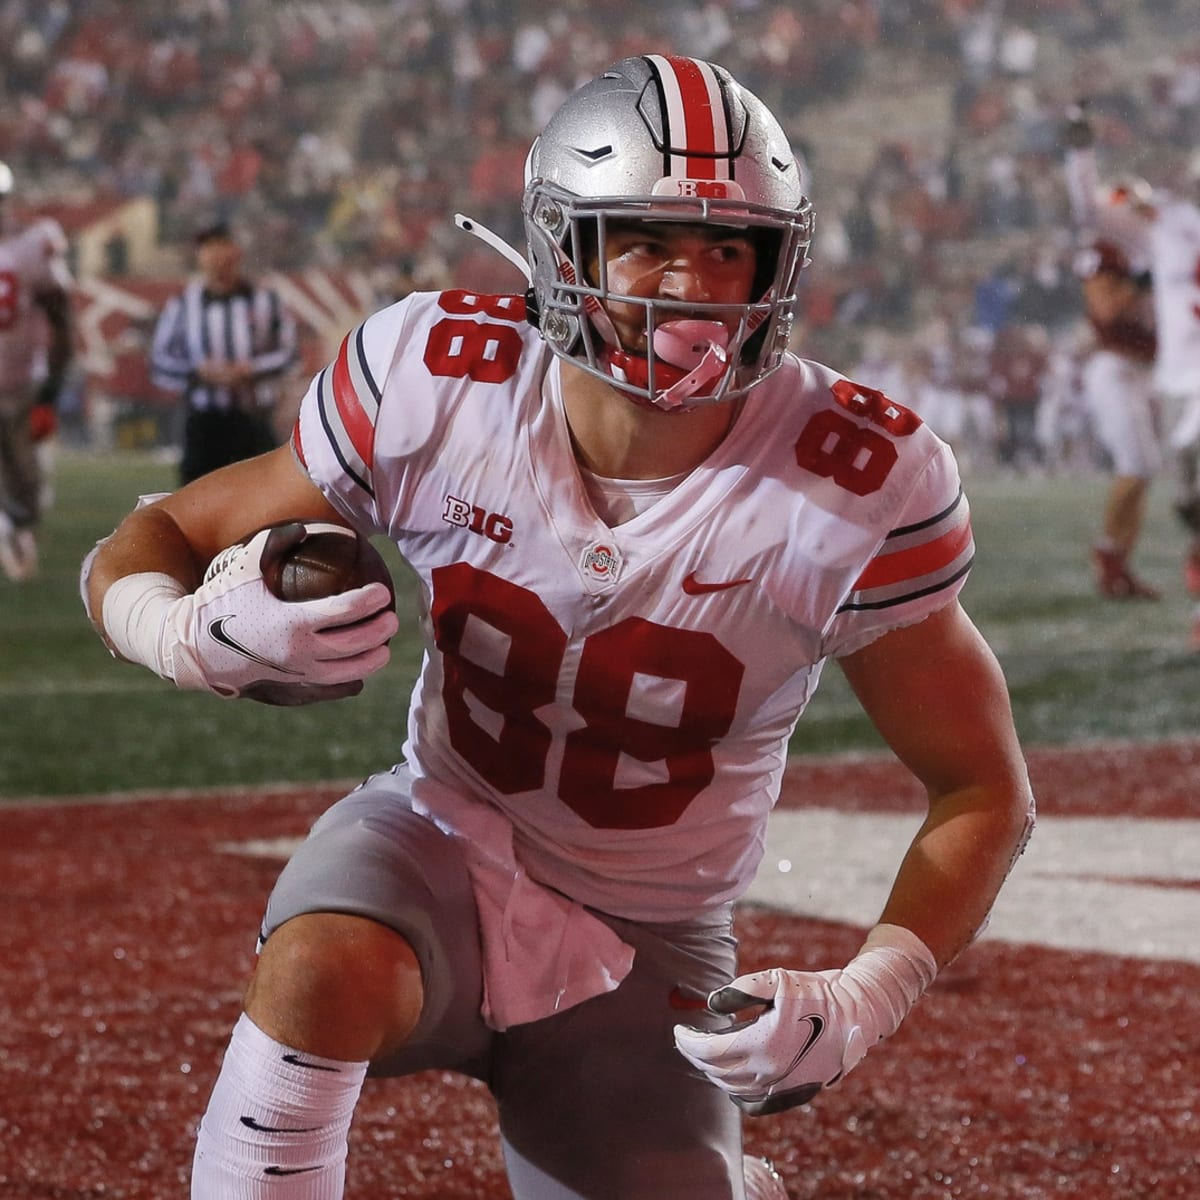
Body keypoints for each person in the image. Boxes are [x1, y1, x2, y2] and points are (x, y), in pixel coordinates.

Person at [82, 56, 1035, 1200]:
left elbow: (983, 786)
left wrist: (872, 989)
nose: (691, 285)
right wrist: (181, 632)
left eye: (730, 248)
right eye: (646, 240)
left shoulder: (857, 478)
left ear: (781, 264)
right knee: (323, 967)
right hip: (439, 833)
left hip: (657, 930)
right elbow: (152, 537)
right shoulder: (440, 380)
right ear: (560, 247)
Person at [1061, 108, 1161, 600]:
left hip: (1148, 370)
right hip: (1115, 367)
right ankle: (1108, 553)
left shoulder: (1150, 252)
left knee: (1145, 467)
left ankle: (1117, 561)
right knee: (1138, 463)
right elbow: (1107, 304)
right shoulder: (1108, 254)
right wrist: (1149, 283)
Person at [149, 221, 297, 484]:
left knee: (263, 501)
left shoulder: (267, 301)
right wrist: (199, 372)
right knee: (197, 503)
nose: (215, 255)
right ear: (199, 256)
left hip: (252, 417)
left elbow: (289, 354)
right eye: (207, 247)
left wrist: (252, 370)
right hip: (204, 421)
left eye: (221, 245)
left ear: (237, 251)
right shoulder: (183, 305)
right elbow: (161, 359)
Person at [0, 160, 74, 582]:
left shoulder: (30, 243)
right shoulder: (29, 244)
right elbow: (62, 316)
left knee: (27, 479)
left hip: (20, 380)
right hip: (23, 379)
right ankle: (14, 532)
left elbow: (60, 315)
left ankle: (19, 531)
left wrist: (51, 388)